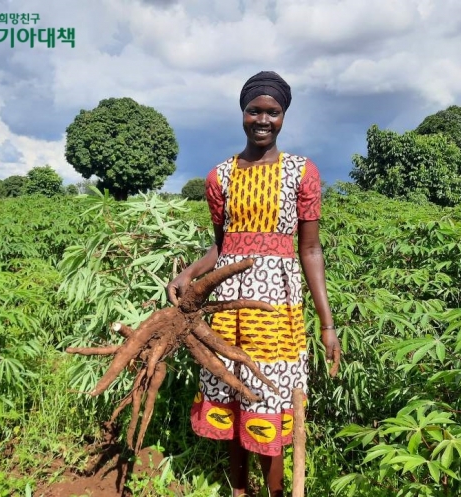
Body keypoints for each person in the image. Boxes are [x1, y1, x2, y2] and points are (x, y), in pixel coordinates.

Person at [167, 71, 340, 497]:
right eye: (254, 111)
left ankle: (276, 492)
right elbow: (222, 247)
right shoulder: (220, 177)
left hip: (276, 306)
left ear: (284, 116)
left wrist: (327, 322)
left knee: (270, 393)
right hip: (228, 305)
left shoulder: (302, 172)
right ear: (242, 113)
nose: (263, 120)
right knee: (234, 391)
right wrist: (188, 273)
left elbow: (311, 250)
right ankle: (240, 490)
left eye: (273, 112)